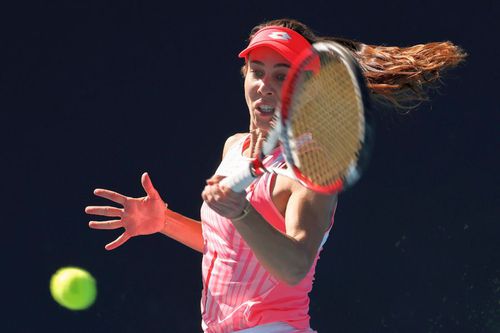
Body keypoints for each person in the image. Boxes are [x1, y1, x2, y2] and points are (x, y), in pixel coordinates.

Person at [85, 18, 466, 333]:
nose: (265, 86)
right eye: (257, 71)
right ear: (245, 76)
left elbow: (294, 264)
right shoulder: (234, 148)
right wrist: (163, 221)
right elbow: (234, 250)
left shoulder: (313, 168)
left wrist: (241, 212)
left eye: (282, 76)